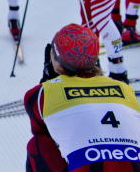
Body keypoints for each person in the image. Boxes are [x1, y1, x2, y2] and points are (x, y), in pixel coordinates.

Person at [24, 23, 140, 171]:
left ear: (56, 59)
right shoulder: (125, 89)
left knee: (37, 144)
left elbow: (46, 132)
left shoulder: (40, 94)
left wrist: (48, 79)